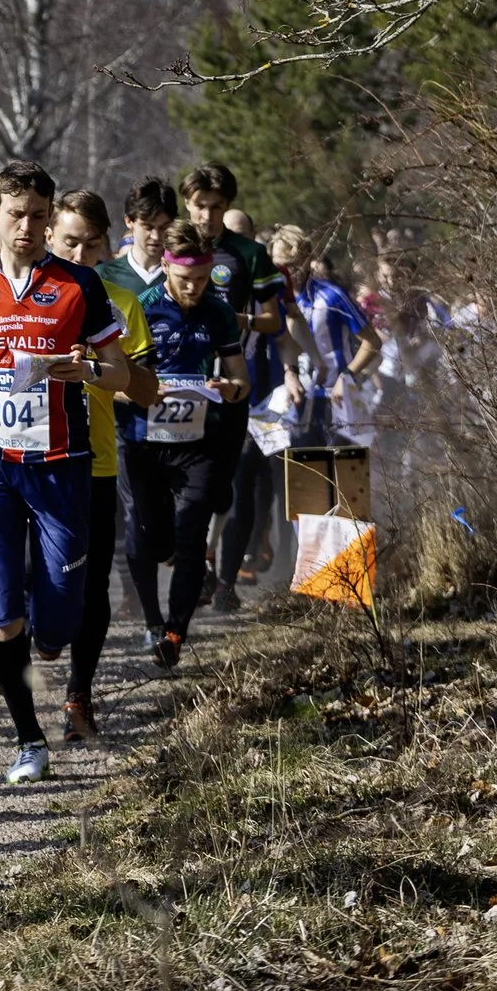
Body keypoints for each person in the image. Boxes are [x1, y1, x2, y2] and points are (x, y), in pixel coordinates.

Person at [0, 161, 133, 784]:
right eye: (16, 215)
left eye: (39, 217)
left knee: (56, 625)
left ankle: (49, 647)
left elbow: (121, 371)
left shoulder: (78, 285)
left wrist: (89, 374)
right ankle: (28, 738)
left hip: (62, 465)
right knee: (0, 610)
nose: (28, 227)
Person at [48, 191, 160, 741]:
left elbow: (146, 390)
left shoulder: (121, 302)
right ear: (49, 235)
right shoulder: (19, 295)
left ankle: (78, 696)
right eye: (69, 241)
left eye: (90, 244)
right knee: (40, 580)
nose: (79, 253)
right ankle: (39, 632)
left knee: (91, 587)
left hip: (93, 460)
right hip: (25, 458)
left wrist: (97, 366)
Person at [122, 220, 250, 664]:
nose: (193, 288)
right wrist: (144, 390)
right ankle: (152, 619)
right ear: (166, 268)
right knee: (155, 541)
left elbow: (240, 380)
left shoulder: (218, 312)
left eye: (200, 278)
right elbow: (114, 381)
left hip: (198, 439)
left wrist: (229, 389)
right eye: (183, 280)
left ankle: (174, 634)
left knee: (192, 531)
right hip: (144, 441)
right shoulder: (142, 307)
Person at [179, 164, 285, 610]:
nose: (206, 215)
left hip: (231, 384)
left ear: (228, 207)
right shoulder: (175, 246)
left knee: (230, 485)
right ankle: (198, 566)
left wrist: (236, 320)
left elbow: (274, 320)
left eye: (216, 207)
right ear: (187, 204)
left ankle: (225, 581)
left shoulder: (248, 254)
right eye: (199, 206)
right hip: (180, 382)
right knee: (186, 482)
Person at [273, 225, 382, 446]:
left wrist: (347, 376)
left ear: (308, 259)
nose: (286, 272)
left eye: (293, 265)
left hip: (334, 398)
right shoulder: (271, 298)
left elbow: (372, 342)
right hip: (293, 400)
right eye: (279, 266)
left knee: (341, 473)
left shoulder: (332, 296)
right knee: (300, 476)